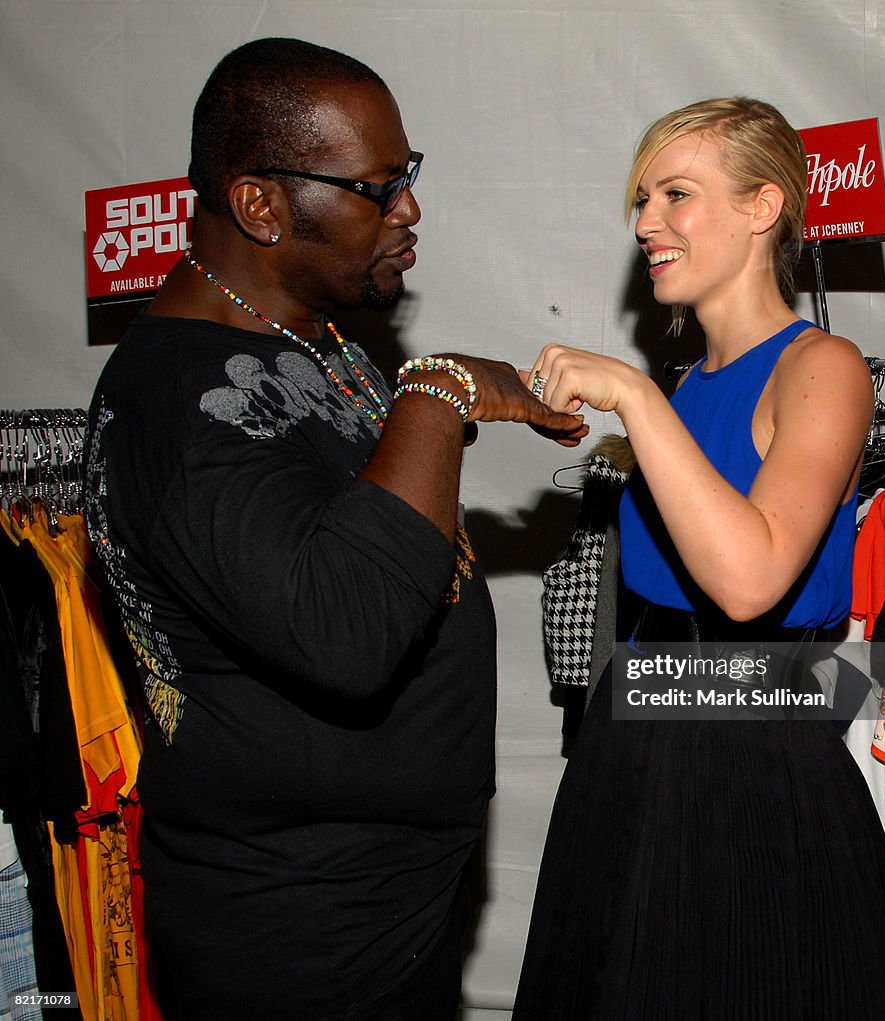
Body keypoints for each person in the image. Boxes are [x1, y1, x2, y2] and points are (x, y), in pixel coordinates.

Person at [83, 37, 586, 1021]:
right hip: (292, 937)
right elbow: (350, 630)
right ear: (260, 204)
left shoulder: (306, 334)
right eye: (377, 186)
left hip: (385, 906)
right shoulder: (171, 405)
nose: (409, 212)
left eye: (409, 176)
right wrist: (438, 390)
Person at [512, 98, 885, 1019]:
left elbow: (749, 582)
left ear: (762, 206)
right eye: (643, 198)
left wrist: (629, 396)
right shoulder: (683, 388)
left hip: (754, 770)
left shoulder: (822, 368)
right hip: (633, 756)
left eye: (676, 194)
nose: (646, 222)